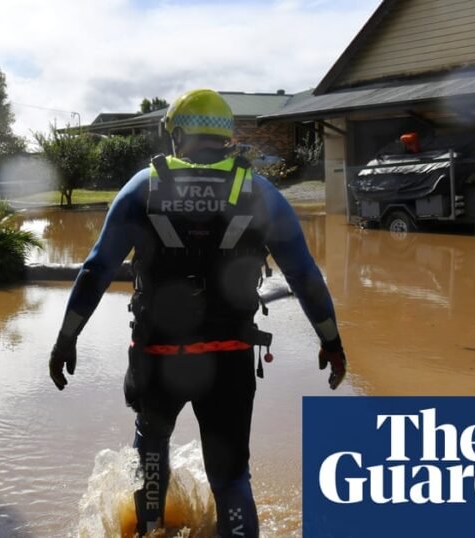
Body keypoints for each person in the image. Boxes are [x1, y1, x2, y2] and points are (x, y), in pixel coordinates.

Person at [49, 89, 346, 537]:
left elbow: (95, 269)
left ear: (179, 136)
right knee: (231, 478)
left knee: (151, 461)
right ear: (226, 138)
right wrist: (331, 341)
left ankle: (150, 529)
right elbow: (304, 274)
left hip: (158, 355)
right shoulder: (259, 192)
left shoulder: (142, 187)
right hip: (228, 357)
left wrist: (66, 338)